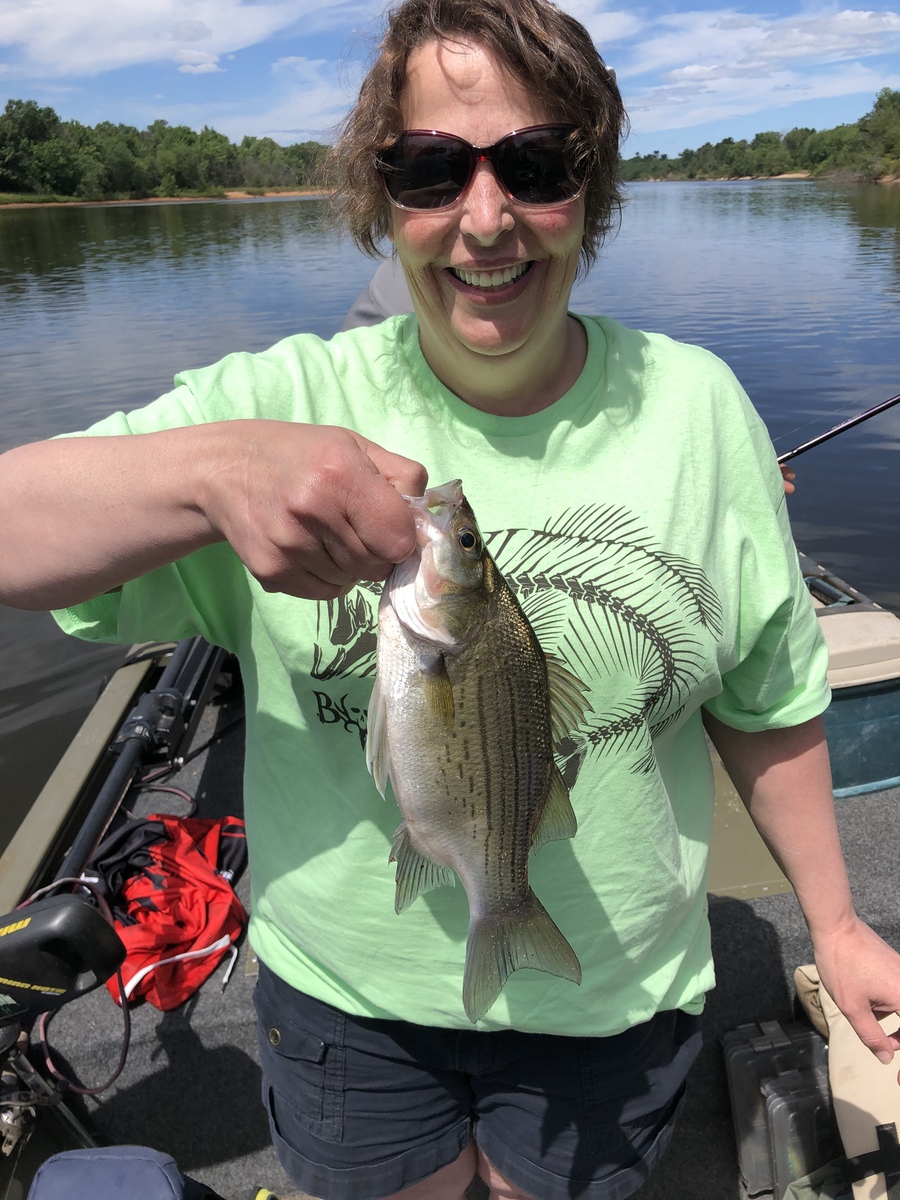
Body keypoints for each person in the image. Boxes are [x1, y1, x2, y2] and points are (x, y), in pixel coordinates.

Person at [1, 1, 898, 1197]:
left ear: (594, 185)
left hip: (614, 993)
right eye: (431, 168)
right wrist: (207, 471)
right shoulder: (283, 397)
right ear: (385, 195)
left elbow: (767, 695)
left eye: (538, 165)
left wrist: (835, 924)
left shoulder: (700, 407)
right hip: (346, 1003)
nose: (487, 218)